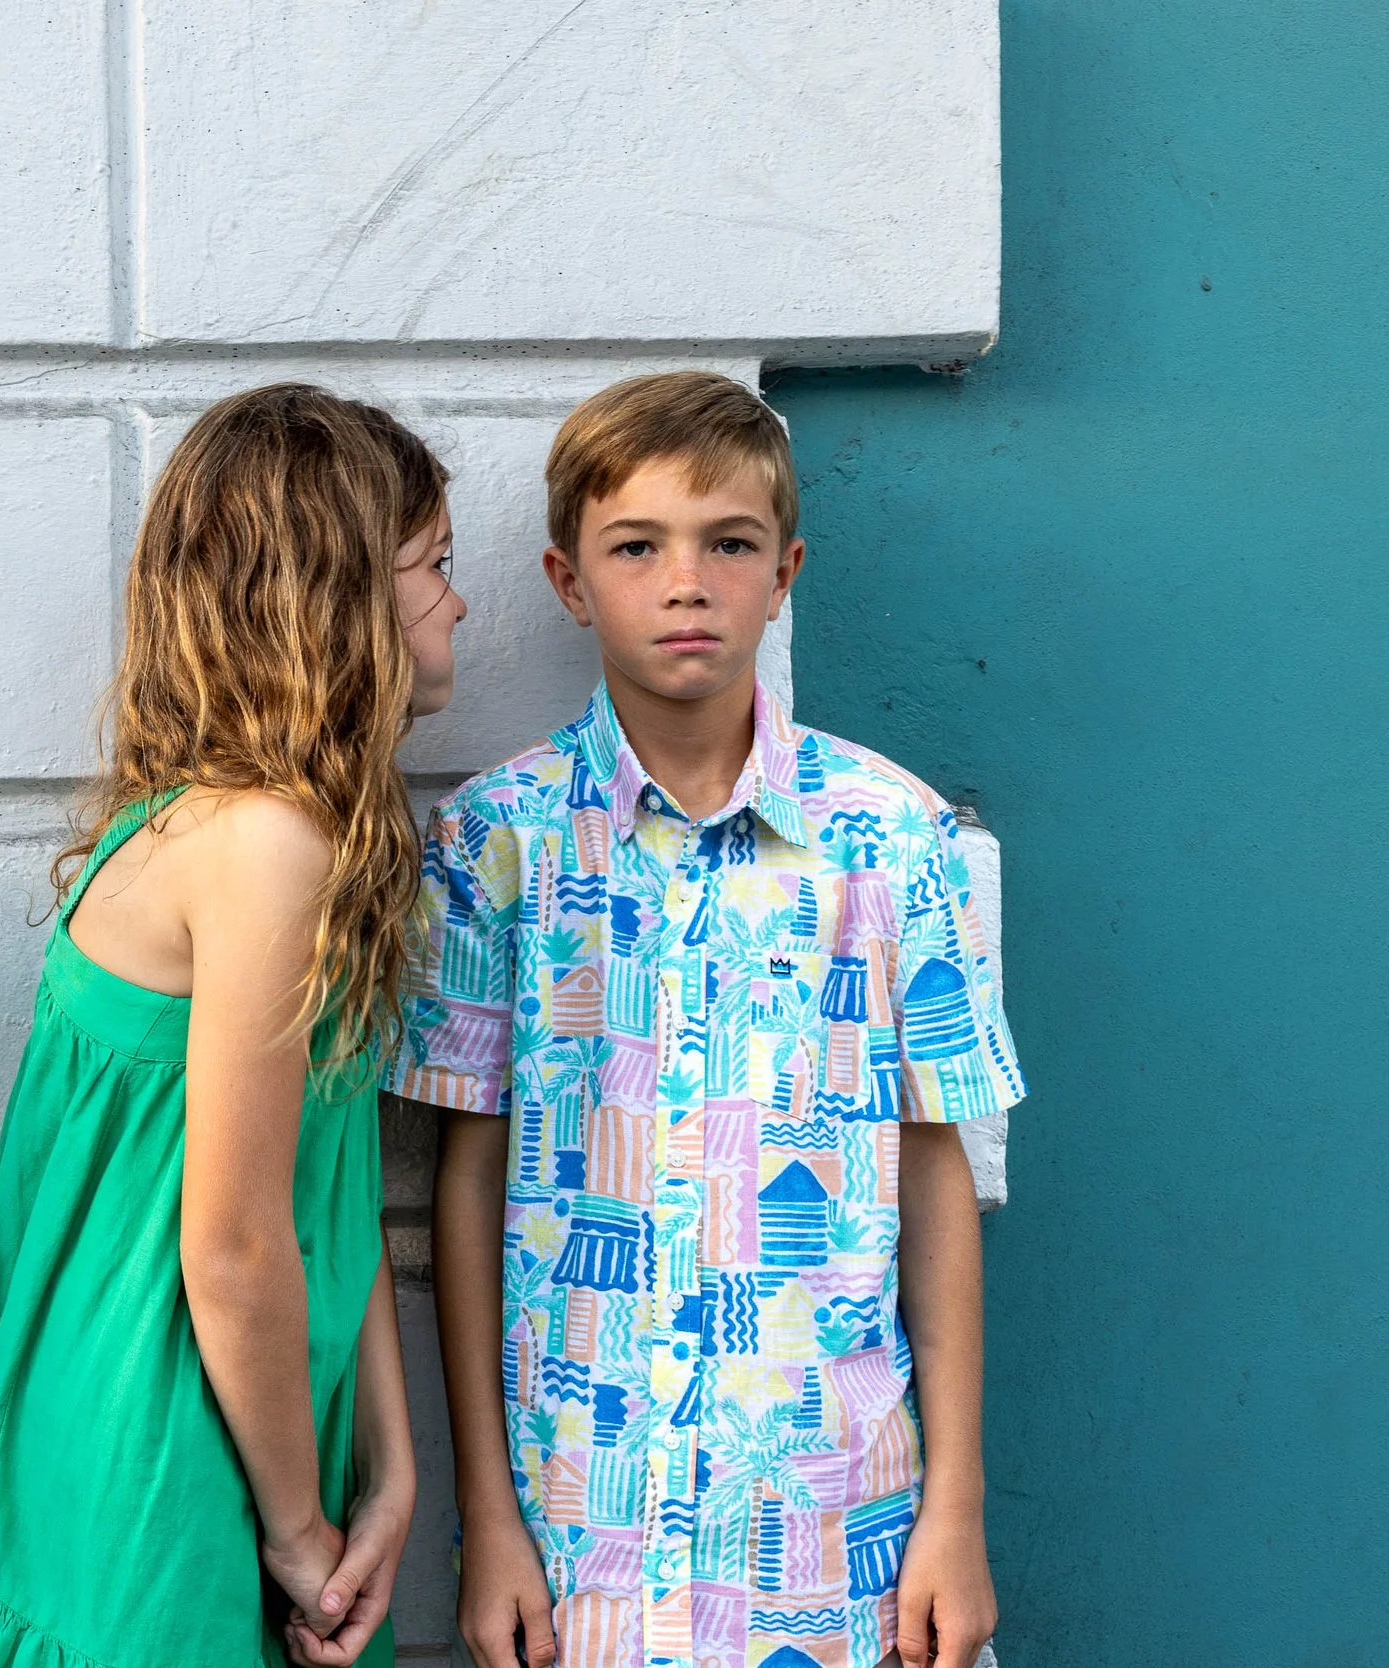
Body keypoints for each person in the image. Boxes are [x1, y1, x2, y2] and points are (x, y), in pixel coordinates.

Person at [399, 372, 1021, 1668]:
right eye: (637, 547)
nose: (686, 584)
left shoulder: (892, 838)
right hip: (584, 1530)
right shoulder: (497, 841)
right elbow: (467, 1178)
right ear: (570, 581)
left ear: (783, 572)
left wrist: (956, 1511)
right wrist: (489, 1517)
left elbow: (933, 1170)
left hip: (836, 1528)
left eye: (729, 544)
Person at [0, 384, 466, 1668]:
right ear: (339, 598)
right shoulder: (266, 846)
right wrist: (297, 1530)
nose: (456, 605)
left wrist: (388, 1474)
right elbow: (231, 1246)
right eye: (433, 566)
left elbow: (324, 1197)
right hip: (165, 1468)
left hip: (188, 1443)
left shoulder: (197, 825)